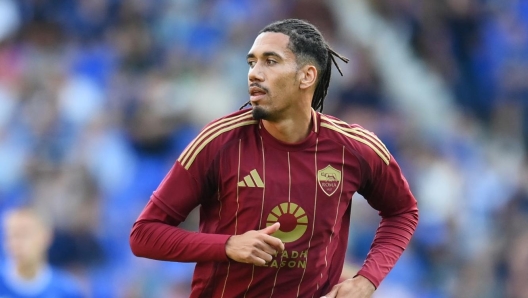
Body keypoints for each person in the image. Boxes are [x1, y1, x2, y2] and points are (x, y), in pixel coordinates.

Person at [130, 19, 419, 298]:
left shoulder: (356, 148)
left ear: (307, 76)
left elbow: (403, 212)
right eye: (251, 62)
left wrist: (367, 281)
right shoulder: (219, 141)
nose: (254, 73)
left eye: (270, 61)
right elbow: (143, 234)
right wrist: (228, 245)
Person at [0, 206, 85, 297]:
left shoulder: (66, 291)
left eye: (24, 235)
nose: (15, 243)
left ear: (46, 236)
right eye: (11, 235)